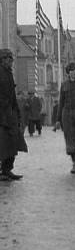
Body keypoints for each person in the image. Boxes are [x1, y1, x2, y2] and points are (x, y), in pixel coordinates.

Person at [0, 48, 24, 181]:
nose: (10, 61)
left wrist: (16, 111)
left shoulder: (9, 73)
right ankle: (3, 170)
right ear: (2, 60)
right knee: (3, 143)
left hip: (10, 113)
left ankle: (7, 169)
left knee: (13, 142)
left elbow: (12, 95)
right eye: (7, 59)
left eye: (11, 59)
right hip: (2, 114)